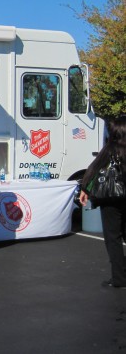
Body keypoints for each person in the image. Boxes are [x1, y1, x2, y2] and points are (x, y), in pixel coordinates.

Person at [78, 115, 126, 288]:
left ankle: (119, 278)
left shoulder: (110, 149)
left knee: (113, 238)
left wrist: (84, 190)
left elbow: (93, 170)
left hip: (110, 198)